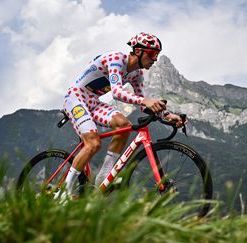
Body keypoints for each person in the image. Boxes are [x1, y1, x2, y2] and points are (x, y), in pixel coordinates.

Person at [62, 32, 184, 198]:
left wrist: (168, 115)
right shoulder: (116, 59)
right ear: (139, 51)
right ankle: (63, 193)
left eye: (157, 55)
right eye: (152, 54)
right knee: (93, 143)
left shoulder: (137, 74)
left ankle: (104, 176)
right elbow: (117, 93)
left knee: (124, 125)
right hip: (75, 97)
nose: (155, 59)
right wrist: (145, 101)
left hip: (93, 101)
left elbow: (143, 104)